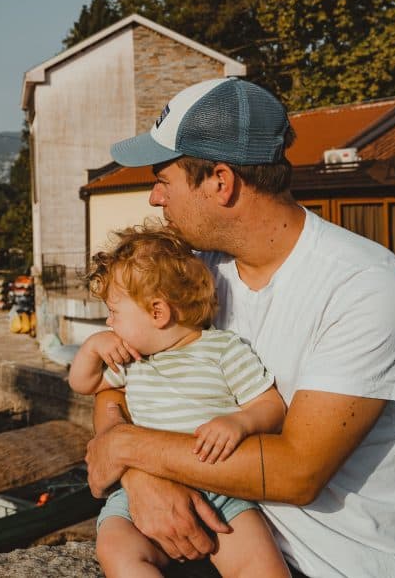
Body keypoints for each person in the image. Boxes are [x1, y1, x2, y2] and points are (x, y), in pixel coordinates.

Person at [85, 77, 395, 577]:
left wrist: (125, 447)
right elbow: (117, 385)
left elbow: (298, 471)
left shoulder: (362, 284)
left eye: (163, 179)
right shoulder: (196, 275)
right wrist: (142, 477)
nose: (154, 198)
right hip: (231, 547)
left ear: (221, 182)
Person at [69, 223, 289, 577]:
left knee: (260, 566)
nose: (109, 323)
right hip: (142, 490)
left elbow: (271, 406)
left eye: (114, 313)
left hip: (223, 491)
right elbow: (84, 382)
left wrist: (239, 422)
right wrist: (93, 346)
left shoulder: (222, 349)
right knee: (115, 547)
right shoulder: (132, 359)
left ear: (158, 313)